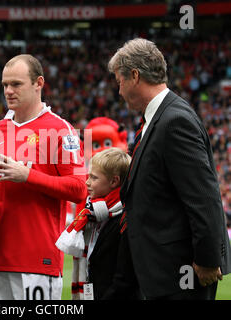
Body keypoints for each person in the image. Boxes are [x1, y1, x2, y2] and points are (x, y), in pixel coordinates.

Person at [108, 38, 231, 300]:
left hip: (180, 274)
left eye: (119, 81)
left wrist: (208, 259)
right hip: (162, 271)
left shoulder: (174, 121)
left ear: (134, 75)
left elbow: (203, 196)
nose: (118, 91)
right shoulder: (160, 118)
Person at [0, 54, 87, 300]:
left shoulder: (61, 130)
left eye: (16, 84)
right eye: (5, 84)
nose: (8, 91)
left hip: (38, 259)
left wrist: (28, 175)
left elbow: (80, 188)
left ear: (39, 83)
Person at [56, 148, 139, 300]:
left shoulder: (125, 220)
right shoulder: (94, 215)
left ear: (114, 181)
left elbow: (124, 278)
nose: (87, 182)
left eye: (94, 178)